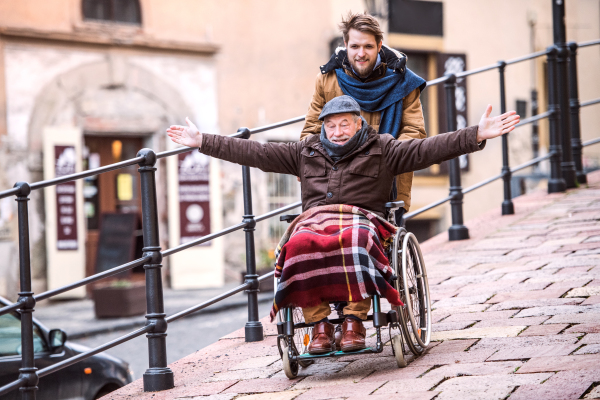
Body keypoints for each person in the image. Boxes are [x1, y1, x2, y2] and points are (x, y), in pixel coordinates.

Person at [166, 96, 520, 354]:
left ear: (358, 123)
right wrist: (202, 142)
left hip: (361, 219)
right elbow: (256, 153)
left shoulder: (383, 148)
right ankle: (318, 324)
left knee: (354, 241)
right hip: (315, 221)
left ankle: (353, 320)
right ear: (323, 128)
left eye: (344, 124)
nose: (337, 132)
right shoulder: (304, 151)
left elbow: (427, 150)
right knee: (297, 245)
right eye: (330, 126)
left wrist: (476, 134)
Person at [301, 12, 427, 222]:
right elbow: (311, 130)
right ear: (345, 44)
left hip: (386, 185)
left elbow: (415, 132)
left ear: (379, 46)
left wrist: (381, 159)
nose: (361, 53)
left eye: (368, 46)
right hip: (334, 186)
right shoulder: (326, 80)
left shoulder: (404, 82)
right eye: (355, 46)